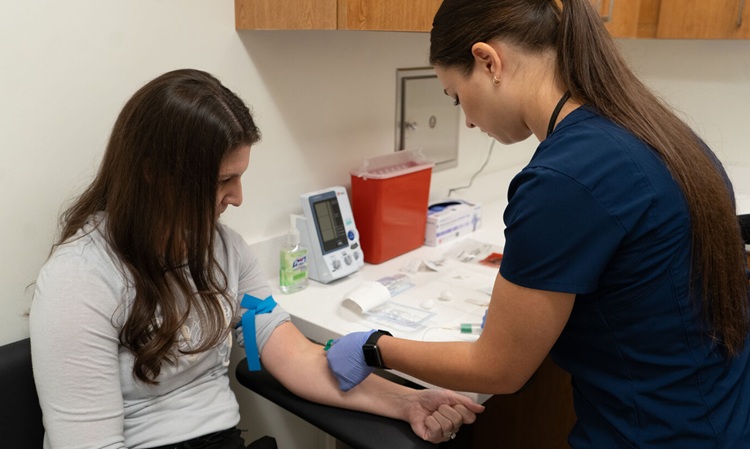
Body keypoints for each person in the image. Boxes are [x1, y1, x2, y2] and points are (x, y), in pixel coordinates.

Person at [325, 1, 750, 448]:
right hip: (719, 415)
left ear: (488, 61)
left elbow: (498, 370)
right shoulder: (656, 132)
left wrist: (374, 347)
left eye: (454, 96)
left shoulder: (566, 178)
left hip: (654, 433)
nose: (467, 119)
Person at [28, 68, 484, 449]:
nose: (238, 198)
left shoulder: (223, 251)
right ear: (156, 176)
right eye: (223, 180)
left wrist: (406, 402)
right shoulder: (79, 281)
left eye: (240, 177)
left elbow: (295, 357)